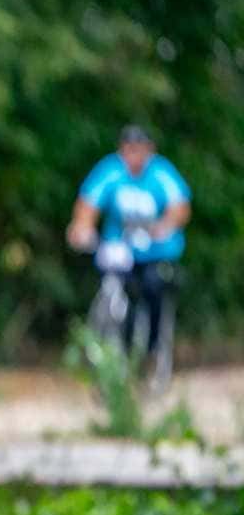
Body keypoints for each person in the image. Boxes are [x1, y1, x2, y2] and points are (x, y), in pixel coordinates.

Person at [65, 125, 192, 365]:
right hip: (120, 250)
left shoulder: (161, 172)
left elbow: (180, 207)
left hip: (155, 251)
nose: (134, 156)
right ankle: (115, 347)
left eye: (139, 150)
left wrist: (164, 226)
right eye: (129, 150)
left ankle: (153, 349)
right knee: (118, 287)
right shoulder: (110, 170)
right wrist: (82, 227)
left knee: (153, 287)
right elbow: (88, 204)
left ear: (149, 150)